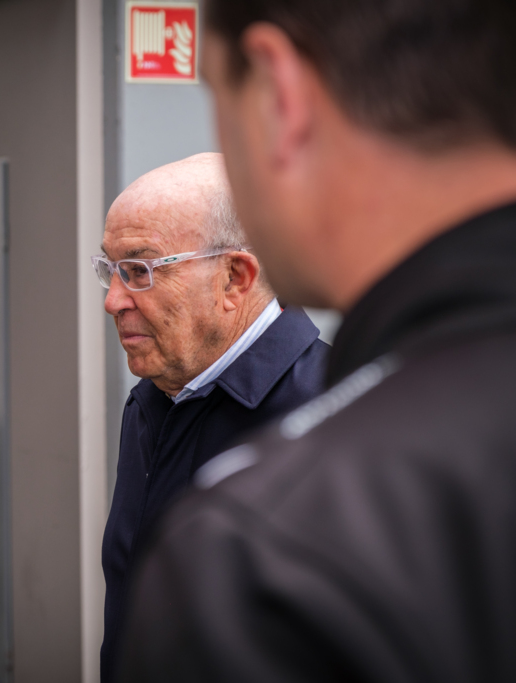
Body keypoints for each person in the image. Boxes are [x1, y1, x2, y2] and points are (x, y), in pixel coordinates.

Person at [118, 0, 516, 680]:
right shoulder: (157, 411)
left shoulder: (261, 555)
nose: (116, 298)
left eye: (217, 94)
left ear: (279, 95)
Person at [94, 153, 328, 682]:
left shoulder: (335, 419)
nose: (112, 300)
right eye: (109, 270)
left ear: (234, 277)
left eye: (139, 270)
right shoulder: (154, 402)